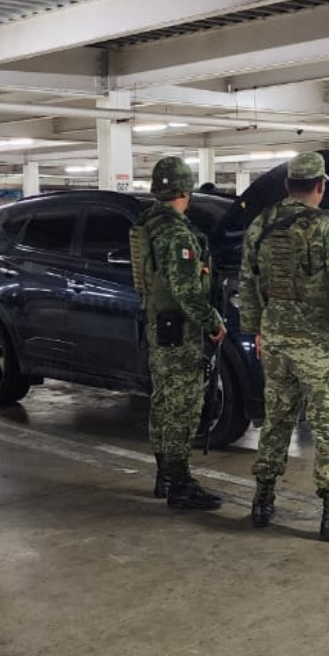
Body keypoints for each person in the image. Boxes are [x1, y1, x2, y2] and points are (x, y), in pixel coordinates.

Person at [238, 152, 329, 542]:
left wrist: (258, 329)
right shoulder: (328, 229)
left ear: (286, 185)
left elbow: (247, 283)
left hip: (277, 340)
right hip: (318, 344)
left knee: (277, 418)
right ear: (320, 185)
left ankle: (262, 501)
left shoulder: (260, 226)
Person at [132, 157, 226, 511]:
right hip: (178, 331)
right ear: (185, 190)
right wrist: (213, 322)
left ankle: (165, 475)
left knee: (163, 401)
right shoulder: (175, 234)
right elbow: (186, 291)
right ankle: (180, 483)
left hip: (158, 324)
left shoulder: (149, 226)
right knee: (182, 406)